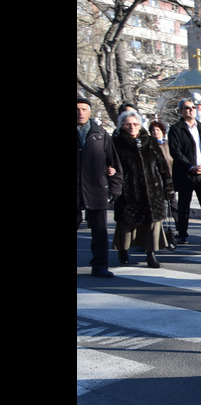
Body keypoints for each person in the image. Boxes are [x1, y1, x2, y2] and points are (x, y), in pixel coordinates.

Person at [111, 111, 174, 268]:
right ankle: (123, 250)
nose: (132, 127)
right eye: (128, 124)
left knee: (152, 223)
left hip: (153, 189)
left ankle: (150, 254)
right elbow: (111, 163)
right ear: (122, 126)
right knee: (126, 224)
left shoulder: (150, 141)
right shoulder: (116, 143)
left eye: (135, 124)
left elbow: (163, 166)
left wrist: (168, 188)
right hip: (128, 190)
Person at [77, 97, 123, 278]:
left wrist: (115, 189)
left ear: (89, 112)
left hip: (96, 189)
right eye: (77, 109)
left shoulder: (100, 134)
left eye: (84, 109)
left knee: (100, 232)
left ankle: (100, 266)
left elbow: (115, 164)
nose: (80, 112)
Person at [168, 98, 201, 244]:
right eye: (187, 108)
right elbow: (175, 152)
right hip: (186, 173)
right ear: (181, 111)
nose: (190, 110)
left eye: (193, 107)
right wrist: (190, 167)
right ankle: (182, 233)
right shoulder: (176, 129)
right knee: (184, 205)